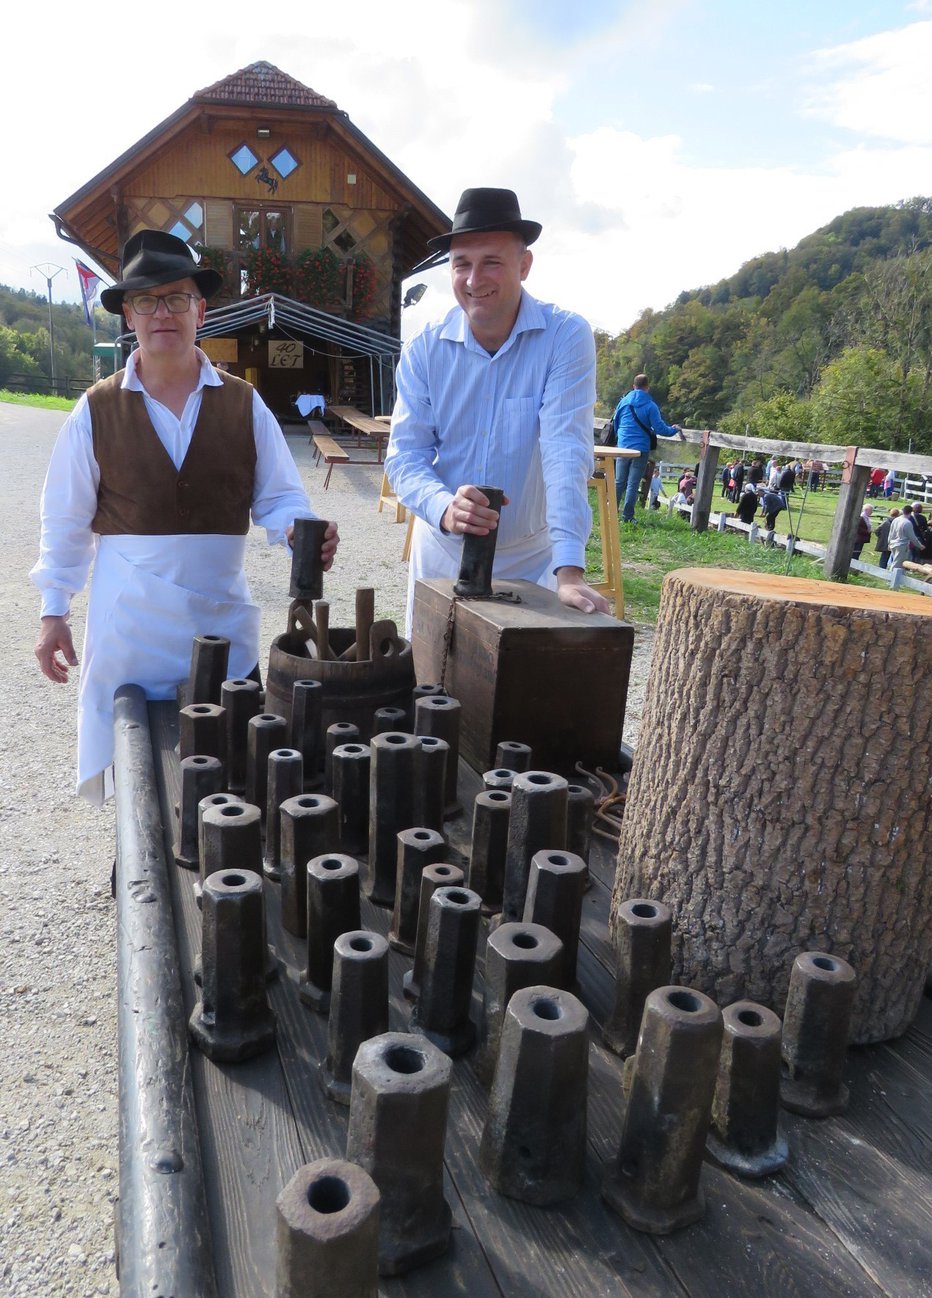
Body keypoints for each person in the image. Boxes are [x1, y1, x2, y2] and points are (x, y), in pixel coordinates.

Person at [32, 230, 338, 805]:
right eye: (146, 300)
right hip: (129, 627)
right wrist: (54, 611)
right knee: (138, 768)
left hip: (220, 621)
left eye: (176, 298)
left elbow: (280, 499)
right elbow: (65, 520)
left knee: (227, 758)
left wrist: (298, 530)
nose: (162, 312)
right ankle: (141, 867)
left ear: (201, 308)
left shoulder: (244, 403)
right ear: (129, 312)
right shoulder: (95, 409)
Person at [385, 188, 609, 632]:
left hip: (532, 555)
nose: (473, 280)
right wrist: (445, 507)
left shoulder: (565, 337)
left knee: (521, 688)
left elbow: (565, 451)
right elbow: (405, 456)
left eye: (492, 262)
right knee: (432, 684)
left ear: (524, 266)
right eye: (461, 264)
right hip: (445, 550)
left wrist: (569, 571)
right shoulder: (423, 349)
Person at [611, 375, 683, 523]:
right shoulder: (651, 406)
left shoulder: (623, 402)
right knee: (633, 483)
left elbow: (616, 422)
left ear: (633, 386)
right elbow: (660, 428)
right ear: (647, 387)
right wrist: (674, 429)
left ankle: (611, 512)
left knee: (619, 482)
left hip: (623, 446)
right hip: (640, 448)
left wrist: (621, 439)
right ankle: (627, 516)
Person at [887, 504, 923, 569]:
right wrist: (920, 546)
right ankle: (891, 577)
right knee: (897, 564)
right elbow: (912, 537)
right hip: (901, 546)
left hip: (893, 543)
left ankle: (897, 577)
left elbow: (891, 533)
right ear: (911, 512)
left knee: (897, 563)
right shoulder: (907, 523)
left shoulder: (896, 520)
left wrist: (889, 543)